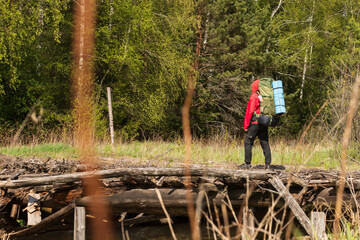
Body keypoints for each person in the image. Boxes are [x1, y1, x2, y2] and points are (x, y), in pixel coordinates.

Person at [243, 79, 271, 169]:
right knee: (264, 142)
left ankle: (247, 164)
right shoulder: (265, 96)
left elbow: (250, 111)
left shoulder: (254, 96)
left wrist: (246, 125)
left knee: (248, 141)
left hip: (255, 123)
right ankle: (268, 164)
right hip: (264, 122)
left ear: (256, 87)